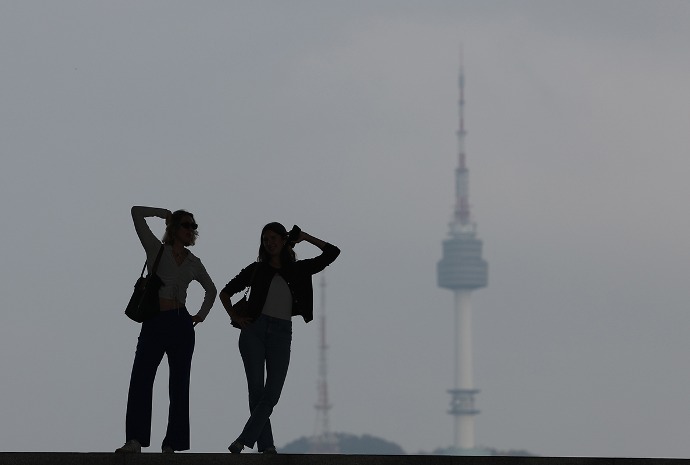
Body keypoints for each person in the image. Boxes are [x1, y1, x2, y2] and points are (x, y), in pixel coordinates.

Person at [219, 222, 340, 454]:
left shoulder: (298, 269)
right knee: (256, 392)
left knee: (272, 393)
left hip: (282, 332)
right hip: (254, 330)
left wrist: (305, 236)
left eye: (274, 238)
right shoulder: (256, 269)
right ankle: (266, 446)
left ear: (284, 240)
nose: (269, 243)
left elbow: (332, 253)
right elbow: (225, 292)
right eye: (265, 239)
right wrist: (234, 315)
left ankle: (244, 439)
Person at [116, 206, 217, 454]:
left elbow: (211, 290)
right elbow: (136, 213)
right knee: (141, 378)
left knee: (179, 384)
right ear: (174, 228)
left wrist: (200, 315)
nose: (191, 230)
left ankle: (173, 443)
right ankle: (135, 440)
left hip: (182, 324)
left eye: (194, 226)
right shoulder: (156, 249)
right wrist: (164, 214)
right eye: (186, 224)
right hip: (155, 321)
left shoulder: (195, 262)